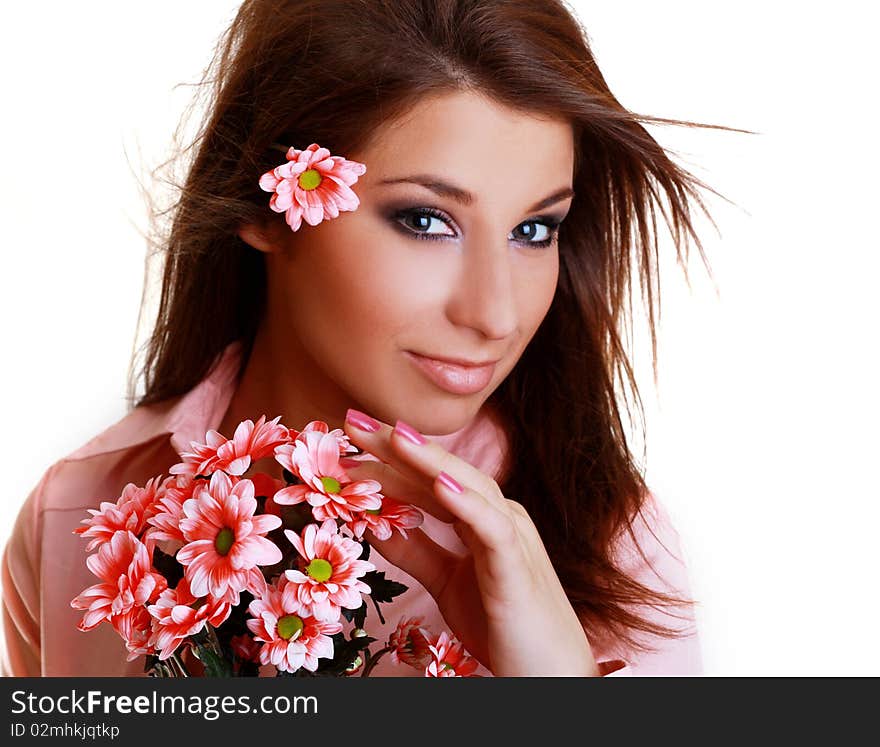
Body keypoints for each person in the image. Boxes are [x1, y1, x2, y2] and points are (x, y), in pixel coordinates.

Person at [1, 0, 734, 677]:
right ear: (262, 203)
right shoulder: (76, 515)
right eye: (424, 220)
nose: (496, 314)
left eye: (534, 230)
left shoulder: (609, 549)